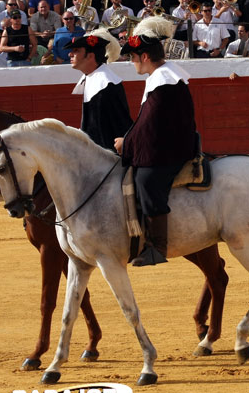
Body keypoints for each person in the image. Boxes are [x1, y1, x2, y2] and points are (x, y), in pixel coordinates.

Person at [114, 16, 198, 266]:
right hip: (173, 143)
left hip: (172, 148)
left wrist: (126, 144)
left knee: (146, 179)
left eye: (133, 57)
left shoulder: (163, 79)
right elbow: (148, 124)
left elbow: (149, 126)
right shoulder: (164, 76)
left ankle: (157, 246)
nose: (132, 62)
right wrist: (129, 138)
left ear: (145, 57)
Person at [66, 28, 133, 151]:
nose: (70, 54)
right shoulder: (93, 77)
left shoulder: (107, 84)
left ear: (90, 56)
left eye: (76, 51)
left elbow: (121, 125)